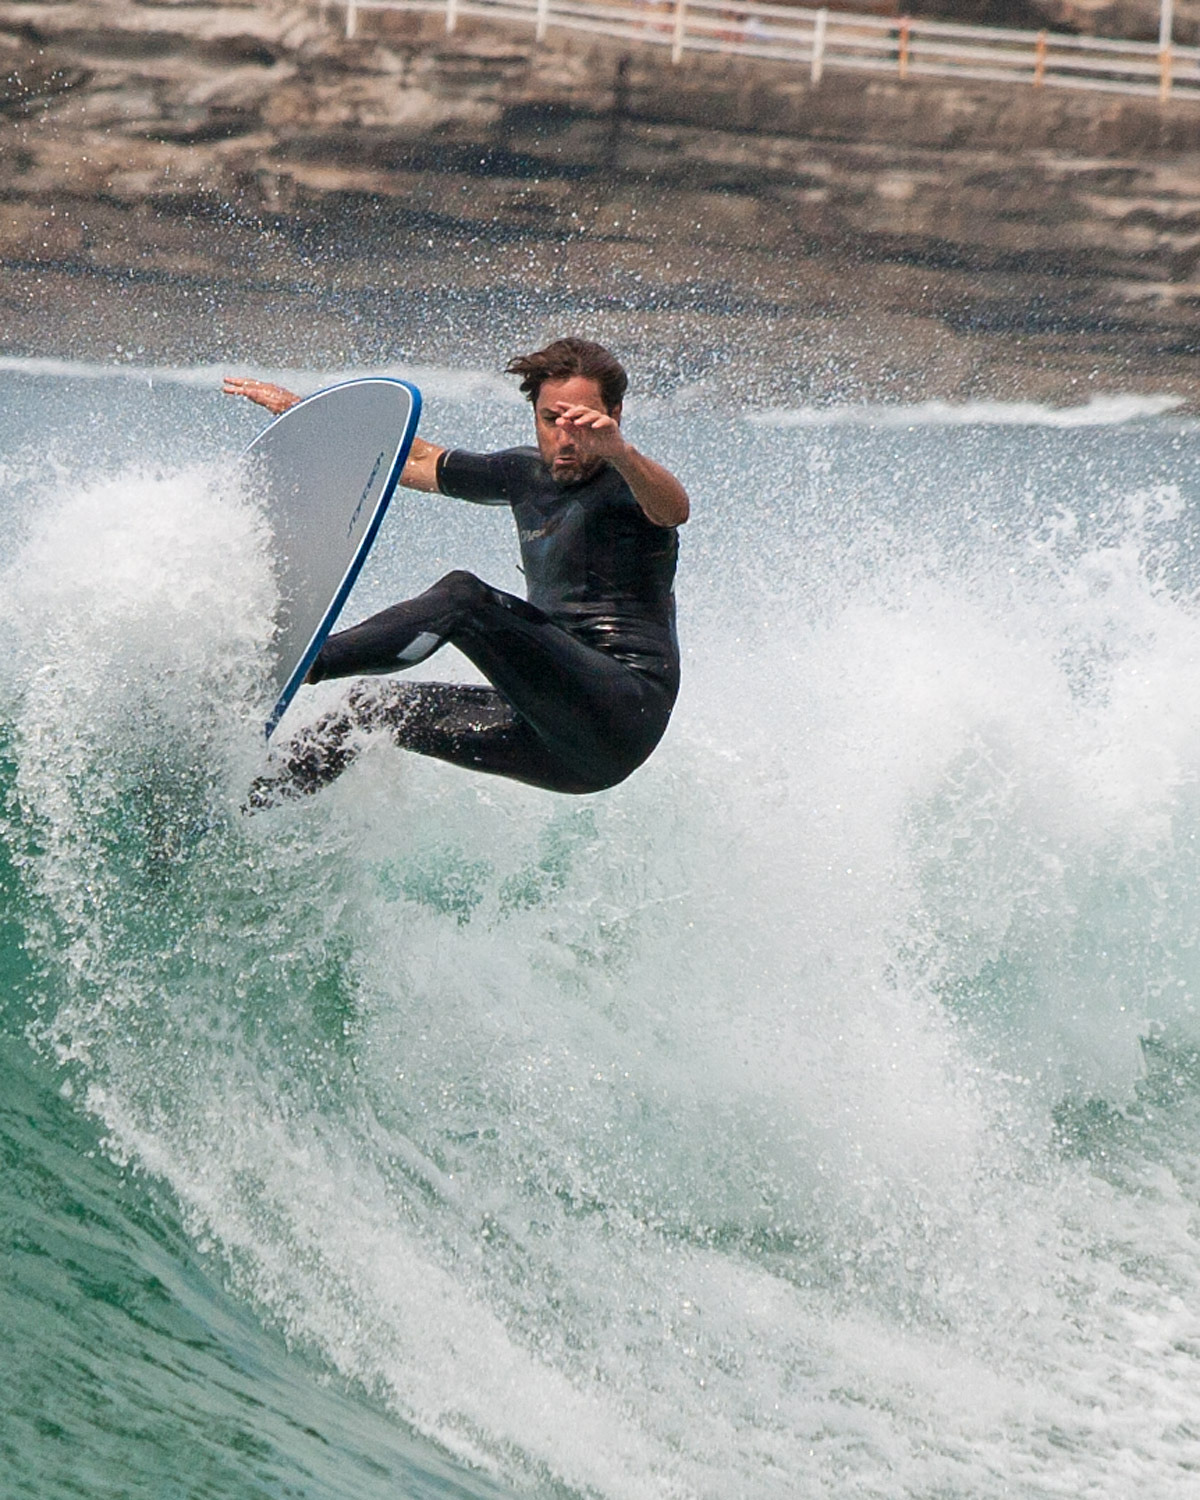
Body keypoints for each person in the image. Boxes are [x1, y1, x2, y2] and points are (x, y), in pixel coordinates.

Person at [223, 337, 690, 799]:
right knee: (370, 708)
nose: (567, 438)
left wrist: (619, 451)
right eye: (551, 421)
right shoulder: (523, 474)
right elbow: (417, 459)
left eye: (584, 424)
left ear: (614, 417)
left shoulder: (630, 484)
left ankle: (305, 664)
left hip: (621, 713)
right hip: (551, 736)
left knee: (464, 599)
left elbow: (673, 509)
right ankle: (248, 802)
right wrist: (310, 417)